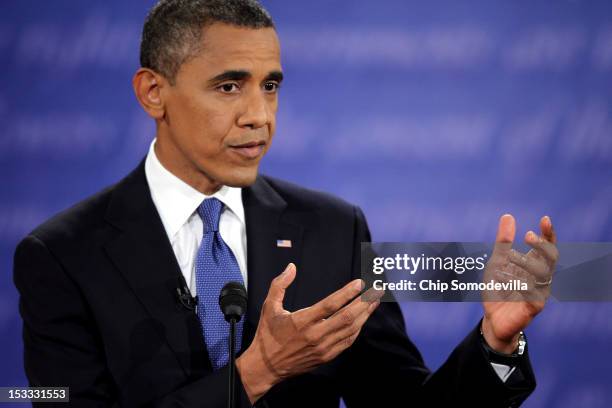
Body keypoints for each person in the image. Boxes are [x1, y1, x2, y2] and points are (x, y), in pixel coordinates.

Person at [13, 0, 558, 407]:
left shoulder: (334, 229)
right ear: (154, 92)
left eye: (269, 86)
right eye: (230, 87)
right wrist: (254, 373)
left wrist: (495, 343)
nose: (259, 115)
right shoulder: (62, 255)